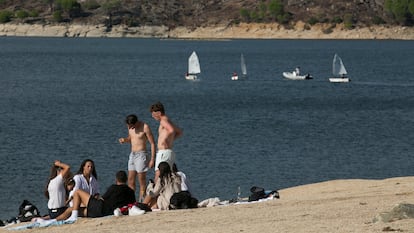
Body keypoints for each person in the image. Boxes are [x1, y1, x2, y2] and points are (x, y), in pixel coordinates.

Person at [65, 170, 136, 221]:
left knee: (77, 193)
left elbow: (102, 199)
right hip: (107, 213)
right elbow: (132, 205)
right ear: (126, 180)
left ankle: (66, 217)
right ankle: (73, 214)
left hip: (101, 208)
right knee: (78, 210)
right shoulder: (131, 192)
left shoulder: (113, 187)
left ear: (116, 179)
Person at [119, 114, 156, 202]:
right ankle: (131, 201)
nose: (130, 128)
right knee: (130, 180)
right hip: (132, 155)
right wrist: (125, 140)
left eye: (131, 126)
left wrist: (152, 159)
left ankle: (142, 201)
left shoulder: (145, 127)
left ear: (135, 123)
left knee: (141, 181)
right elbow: (131, 138)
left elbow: (152, 143)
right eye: (128, 126)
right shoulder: (130, 127)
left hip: (141, 155)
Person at [149, 101, 183, 180]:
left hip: (163, 152)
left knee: (158, 174)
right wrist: (171, 140)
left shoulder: (163, 121)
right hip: (168, 152)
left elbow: (171, 130)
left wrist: (165, 140)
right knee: (167, 175)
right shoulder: (167, 120)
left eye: (154, 114)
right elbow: (179, 132)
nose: (152, 116)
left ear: (159, 113)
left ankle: (156, 192)